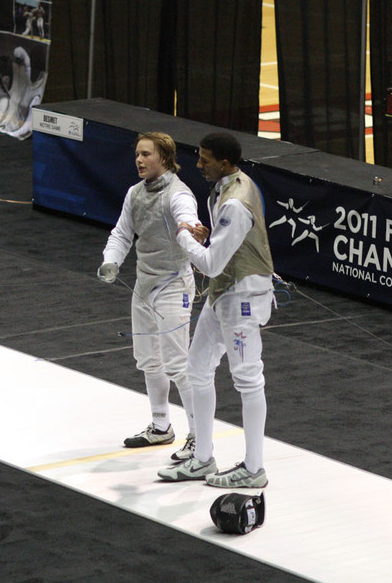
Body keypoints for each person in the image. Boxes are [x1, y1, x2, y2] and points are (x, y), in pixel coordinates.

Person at [157, 132, 274, 489]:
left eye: (205, 159)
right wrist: (204, 236)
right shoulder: (227, 187)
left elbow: (208, 263)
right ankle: (203, 458)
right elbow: (221, 250)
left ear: (224, 163)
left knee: (248, 378)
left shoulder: (236, 201)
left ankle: (254, 469)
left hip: (242, 296)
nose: (198, 164)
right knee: (196, 369)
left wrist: (183, 236)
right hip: (223, 291)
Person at [99, 133, 200, 462]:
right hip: (145, 284)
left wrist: (191, 228)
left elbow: (187, 217)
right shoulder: (135, 193)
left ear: (165, 159)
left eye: (146, 155)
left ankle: (199, 437)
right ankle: (160, 426)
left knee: (178, 364)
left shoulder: (178, 194)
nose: (139, 160)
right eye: (137, 155)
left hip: (174, 286)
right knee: (147, 358)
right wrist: (111, 260)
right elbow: (122, 232)